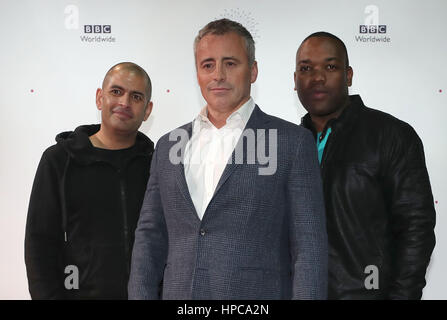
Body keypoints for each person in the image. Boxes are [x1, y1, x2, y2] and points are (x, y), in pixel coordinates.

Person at [128, 19, 327, 300]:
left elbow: (310, 247)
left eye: (230, 63)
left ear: (253, 71)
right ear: (197, 72)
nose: (218, 75)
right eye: (207, 65)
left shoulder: (291, 142)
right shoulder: (168, 146)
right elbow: (149, 238)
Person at [294, 32, 436, 299]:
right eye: (306, 69)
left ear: (348, 76)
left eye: (330, 66)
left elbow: (416, 228)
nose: (317, 77)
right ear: (295, 80)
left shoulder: (391, 135)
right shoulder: (288, 144)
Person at [25, 62, 154, 299]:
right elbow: (39, 243)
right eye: (116, 92)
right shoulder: (59, 160)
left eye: (136, 96)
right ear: (99, 98)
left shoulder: (157, 165)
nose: (124, 102)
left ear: (147, 110)